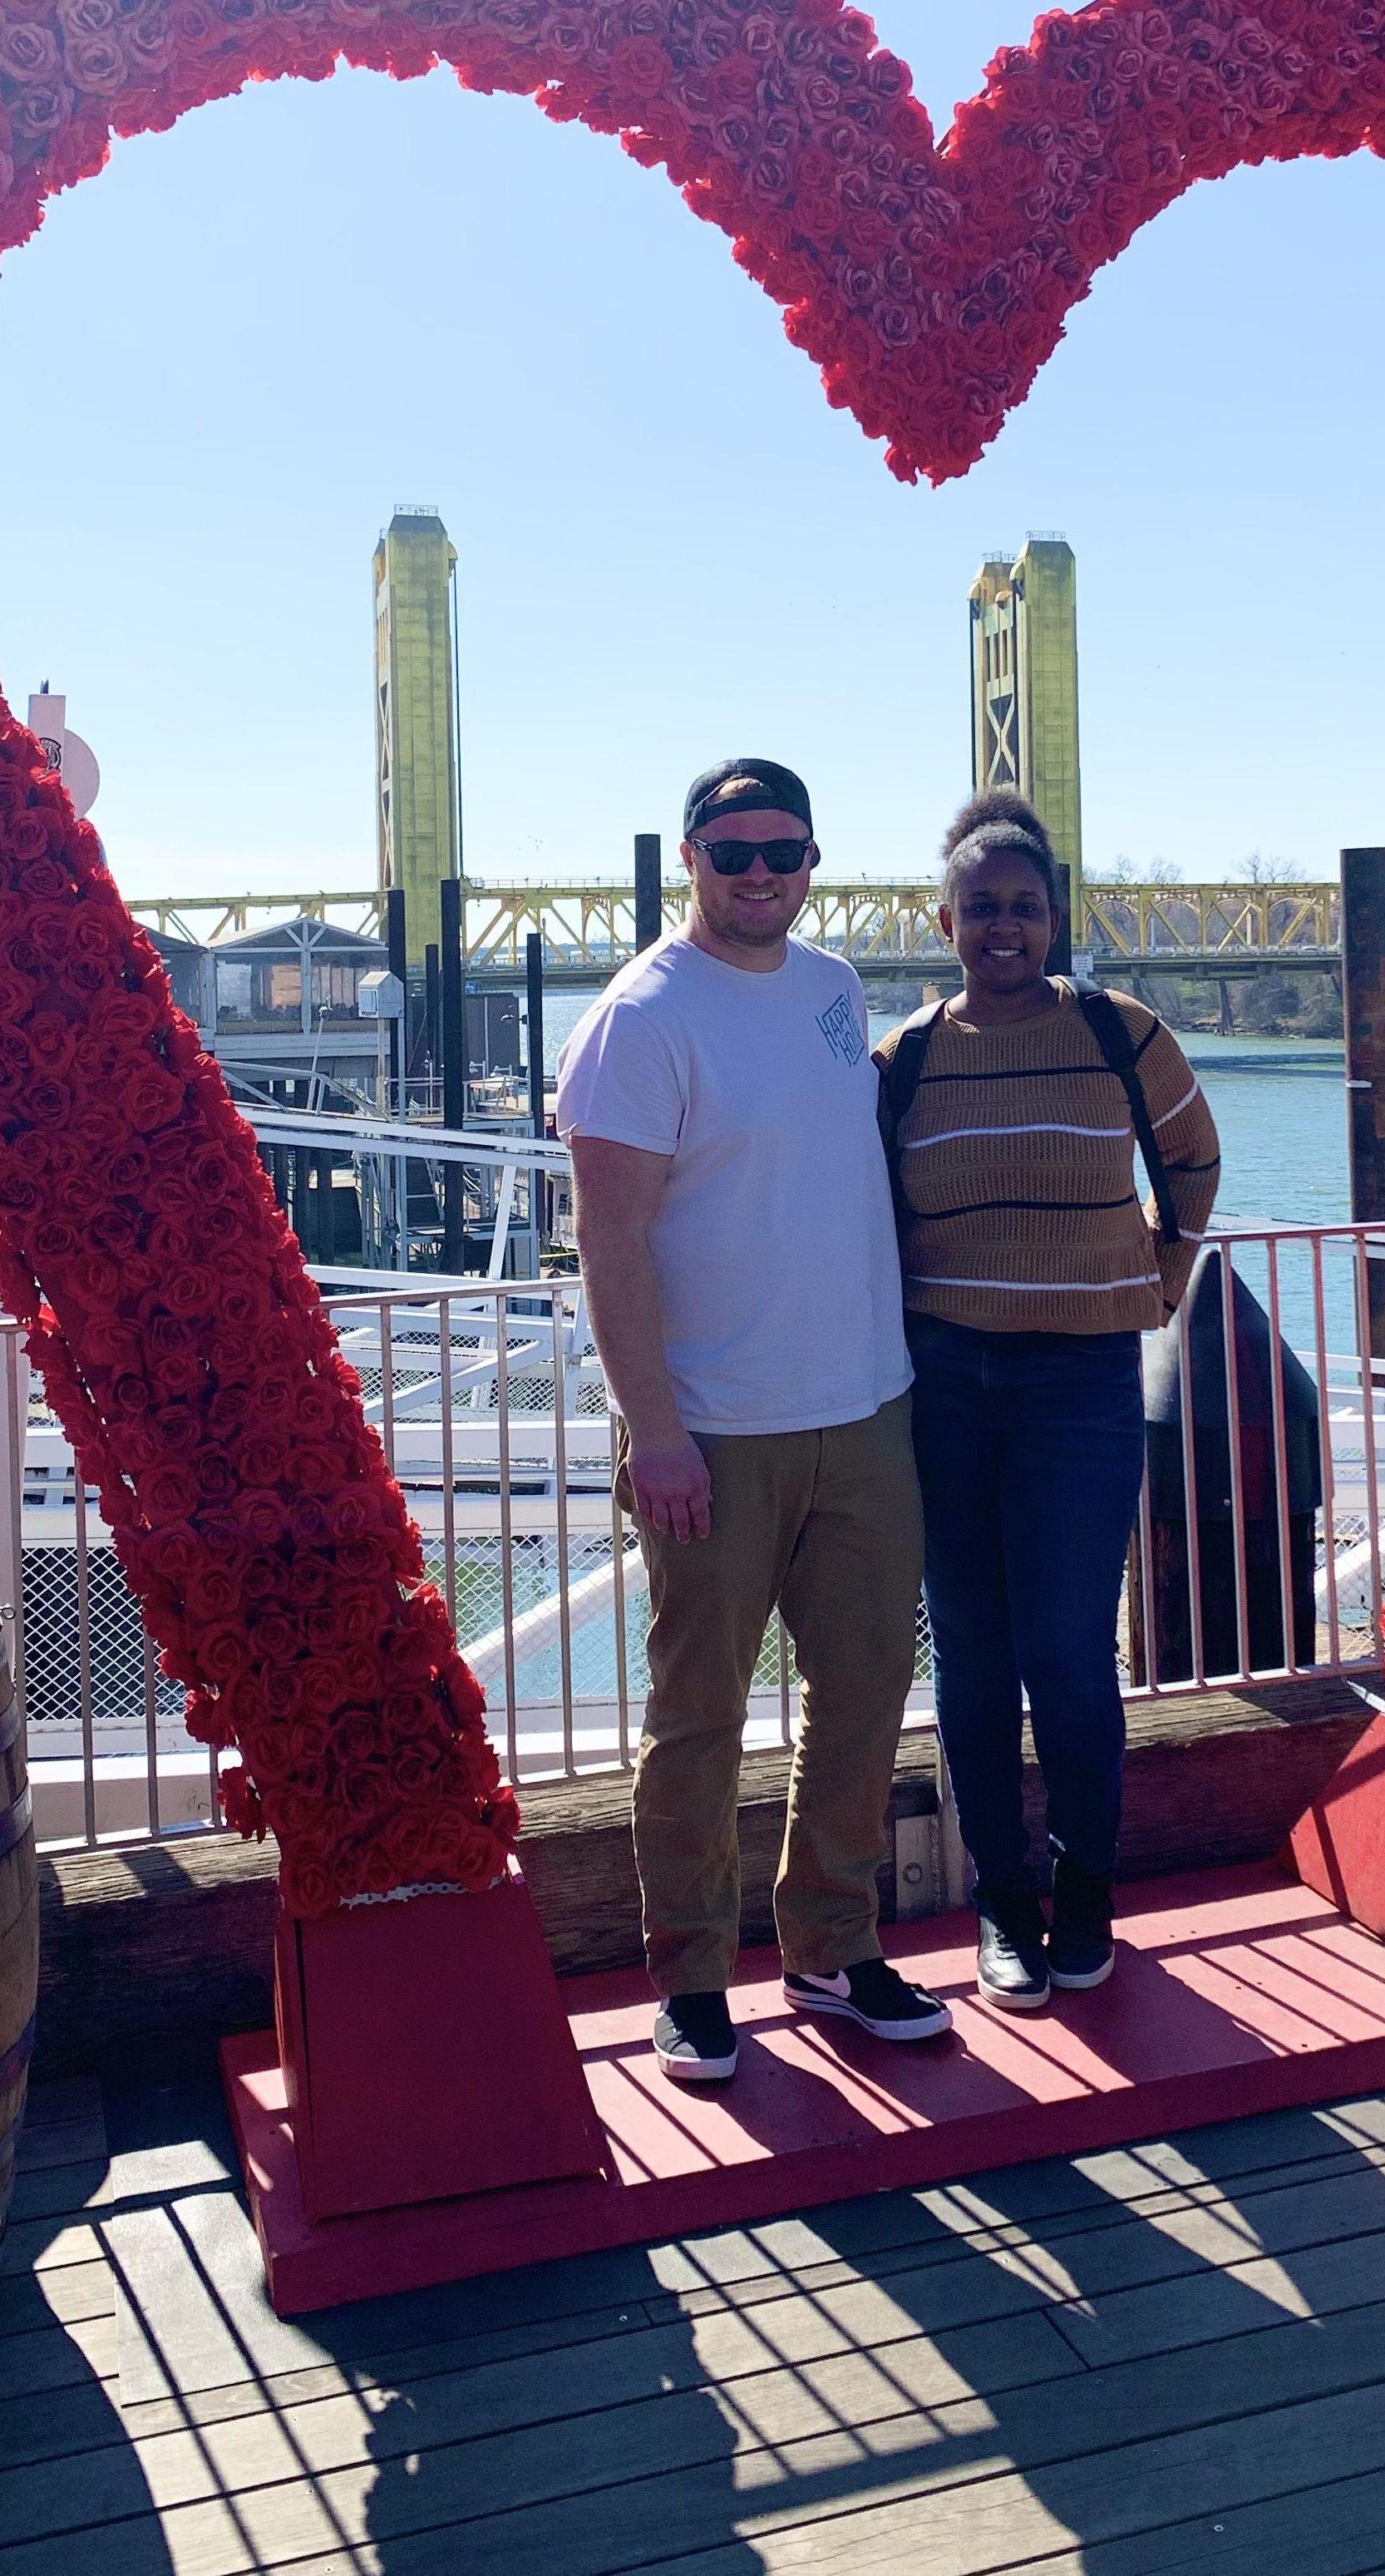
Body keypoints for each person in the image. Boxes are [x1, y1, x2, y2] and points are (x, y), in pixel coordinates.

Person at [557, 757, 954, 2085]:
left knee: (860, 1695)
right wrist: (650, 1425)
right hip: (714, 1430)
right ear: (690, 859)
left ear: (810, 861)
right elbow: (606, 1239)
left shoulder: (837, 994)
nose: (758, 874)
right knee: (697, 1714)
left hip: (867, 1406)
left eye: (783, 851)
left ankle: (831, 1946)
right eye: (732, 851)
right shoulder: (641, 1017)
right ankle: (690, 1975)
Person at [875, 792, 1222, 2012]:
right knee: (971, 1654)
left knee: (1069, 1650)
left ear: (1054, 916)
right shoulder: (905, 1056)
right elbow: (859, 1211)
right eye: (981, 907)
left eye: (1024, 905)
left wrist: (1157, 1275)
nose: (1003, 926)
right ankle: (1000, 1906)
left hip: (1076, 1380)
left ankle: (1085, 1891)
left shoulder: (1120, 1032)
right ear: (945, 919)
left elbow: (1192, 1157)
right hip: (943, 1384)